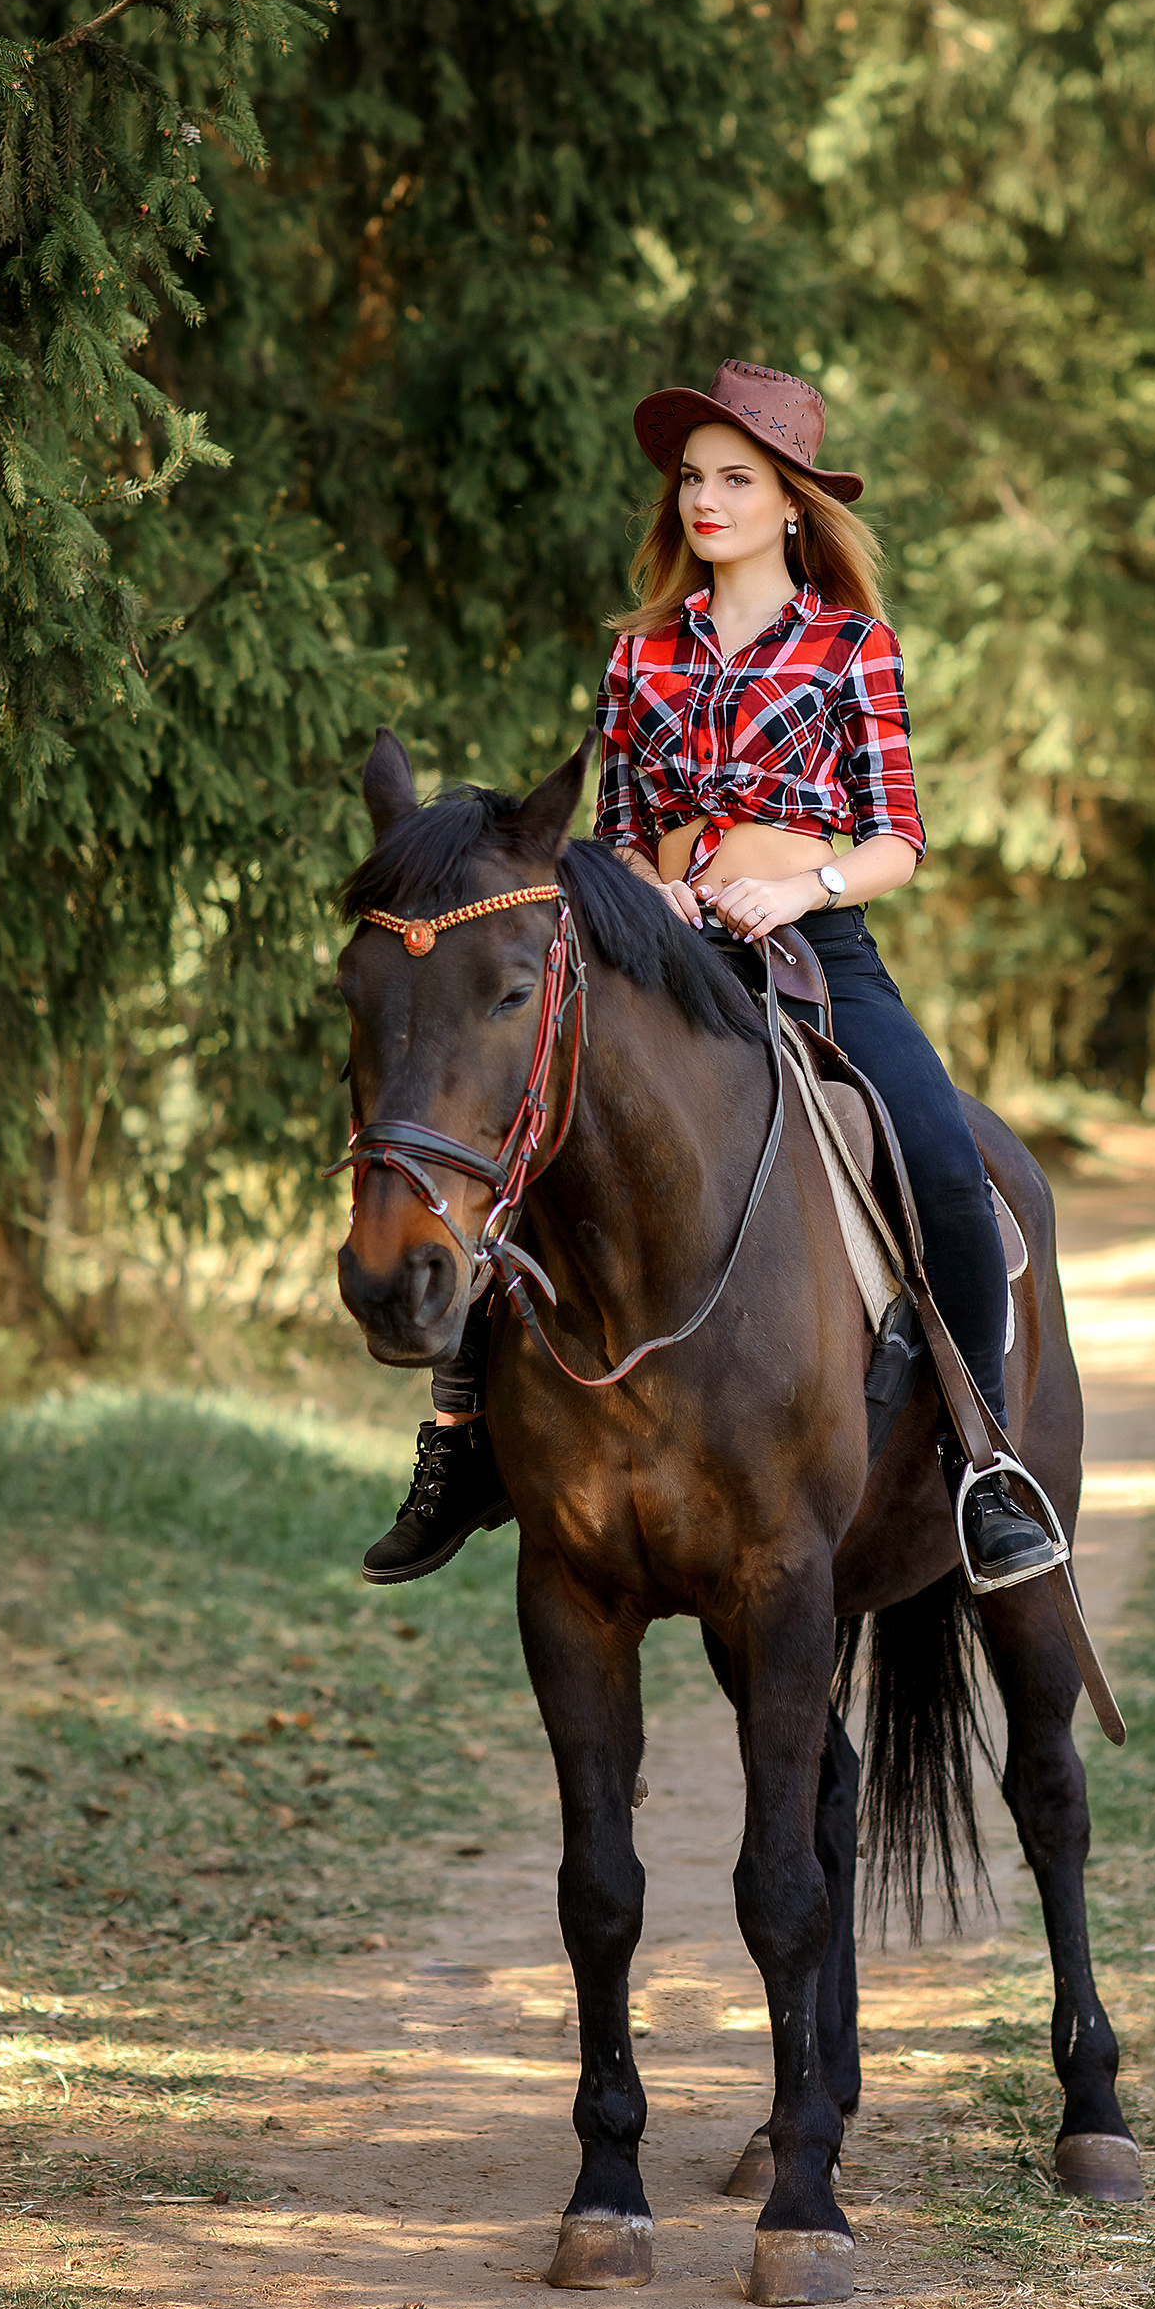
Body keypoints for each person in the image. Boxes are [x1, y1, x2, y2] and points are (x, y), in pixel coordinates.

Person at [361, 359, 1058, 1590]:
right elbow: (618, 828)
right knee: (514, 1143)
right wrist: (655, 894)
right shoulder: (639, 657)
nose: (705, 499)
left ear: (792, 501)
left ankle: (981, 1461)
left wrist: (796, 888)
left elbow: (896, 838)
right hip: (662, 950)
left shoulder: (853, 644)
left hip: (817, 947)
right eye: (691, 478)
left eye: (735, 479)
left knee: (945, 1164)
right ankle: (461, 1445)